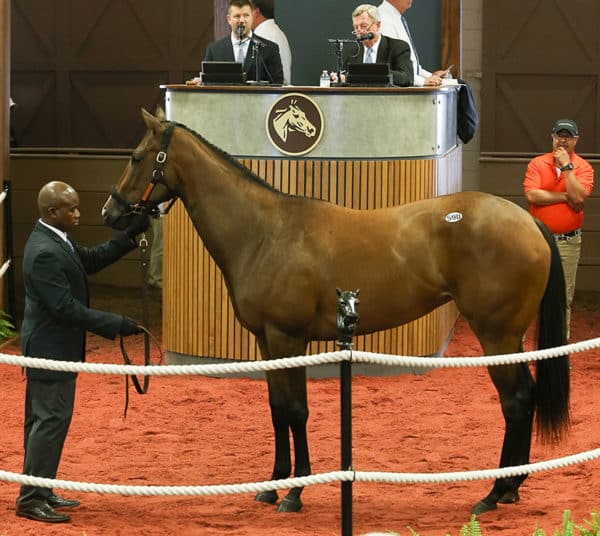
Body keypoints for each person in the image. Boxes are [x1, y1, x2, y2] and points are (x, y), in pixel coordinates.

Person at [16, 180, 149, 523]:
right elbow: (65, 308)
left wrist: (130, 236)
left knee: (45, 422)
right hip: (50, 351)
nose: (78, 213)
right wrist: (115, 323)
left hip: (51, 349)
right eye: (71, 209)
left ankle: (39, 489)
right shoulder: (45, 251)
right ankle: (31, 499)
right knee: (49, 422)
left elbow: (89, 260)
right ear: (51, 212)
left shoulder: (54, 238)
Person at [524, 119, 594, 338]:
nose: (563, 141)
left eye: (568, 136)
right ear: (552, 138)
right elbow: (532, 195)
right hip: (536, 238)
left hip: (568, 242)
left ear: (576, 140)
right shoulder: (537, 163)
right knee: (528, 294)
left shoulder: (584, 167)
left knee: (563, 298)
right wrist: (565, 197)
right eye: (559, 136)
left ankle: (558, 353)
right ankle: (516, 351)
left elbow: (579, 199)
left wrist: (566, 167)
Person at [204, 0, 284, 85]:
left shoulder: (269, 49)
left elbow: (277, 84)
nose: (242, 20)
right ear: (229, 19)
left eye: (246, 15)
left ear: (252, 17)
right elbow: (208, 83)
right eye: (237, 16)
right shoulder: (214, 50)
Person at [338, 4, 413, 87]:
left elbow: (407, 78)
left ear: (378, 25)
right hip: (357, 98)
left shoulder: (398, 47)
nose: (359, 31)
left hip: (387, 98)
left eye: (363, 26)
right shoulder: (351, 52)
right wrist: (340, 78)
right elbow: (344, 78)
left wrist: (374, 72)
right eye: (356, 27)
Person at [378, 0, 450, 86]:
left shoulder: (395, 17)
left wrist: (431, 76)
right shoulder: (383, 19)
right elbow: (392, 68)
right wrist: (422, 81)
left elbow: (409, 64)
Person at [252, 0, 292, 85]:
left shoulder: (261, 36)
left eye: (246, 13)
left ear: (256, 12)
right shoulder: (277, 32)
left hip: (267, 95)